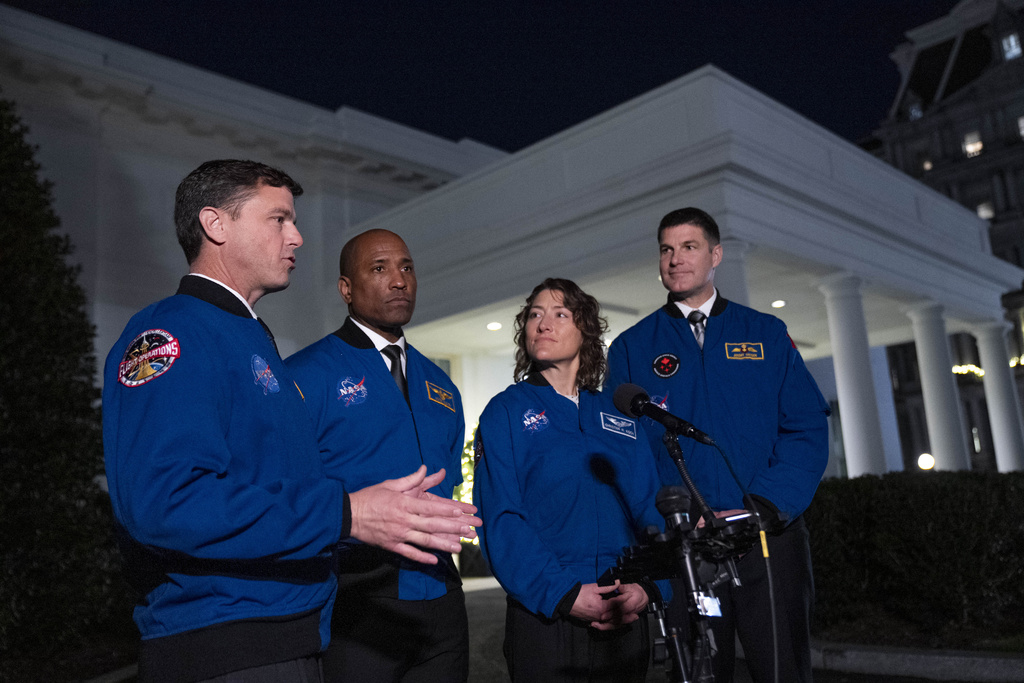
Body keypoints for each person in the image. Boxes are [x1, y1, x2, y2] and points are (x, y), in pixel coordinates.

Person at [103, 160, 479, 683]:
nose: (298, 236)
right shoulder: (171, 332)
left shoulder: (247, 337)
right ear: (216, 225)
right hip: (226, 645)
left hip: (287, 636)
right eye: (278, 219)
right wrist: (346, 514)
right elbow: (165, 501)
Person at [605, 207, 830, 683]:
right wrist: (668, 523)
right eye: (666, 249)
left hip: (768, 537)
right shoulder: (631, 347)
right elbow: (625, 453)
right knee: (699, 673)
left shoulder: (765, 334)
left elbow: (806, 427)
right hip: (685, 546)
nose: (675, 259)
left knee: (783, 669)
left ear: (716, 255)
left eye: (689, 247)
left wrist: (765, 505)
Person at [285, 229, 471, 682]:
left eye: (406, 267)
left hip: (442, 598)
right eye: (379, 268)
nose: (399, 280)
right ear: (346, 289)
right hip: (356, 601)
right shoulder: (304, 375)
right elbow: (289, 493)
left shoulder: (441, 386)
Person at [473, 278, 668, 682]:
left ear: (586, 332)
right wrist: (562, 593)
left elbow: (650, 508)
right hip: (548, 614)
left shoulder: (619, 417)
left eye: (560, 314)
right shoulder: (505, 412)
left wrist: (648, 588)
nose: (543, 324)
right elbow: (501, 518)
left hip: (624, 608)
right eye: (534, 315)